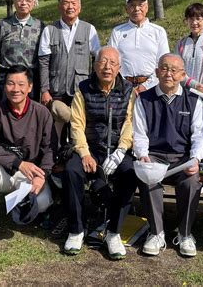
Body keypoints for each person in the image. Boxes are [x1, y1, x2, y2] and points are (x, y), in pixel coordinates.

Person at [62, 46, 137, 259]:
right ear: (94, 66)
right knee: (71, 171)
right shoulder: (83, 89)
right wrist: (84, 153)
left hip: (118, 150)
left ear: (119, 68)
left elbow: (130, 123)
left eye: (113, 63)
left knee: (130, 173)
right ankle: (76, 230)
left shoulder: (128, 90)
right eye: (103, 62)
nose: (107, 67)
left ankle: (114, 232)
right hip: (91, 148)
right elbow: (76, 124)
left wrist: (122, 150)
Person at [132, 53, 203, 257]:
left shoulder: (193, 100)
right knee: (147, 178)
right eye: (164, 68)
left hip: (182, 158)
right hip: (155, 155)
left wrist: (195, 159)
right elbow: (139, 133)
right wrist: (143, 155)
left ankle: (185, 234)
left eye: (174, 70)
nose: (169, 74)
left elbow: (199, 135)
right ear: (156, 72)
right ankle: (156, 233)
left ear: (183, 74)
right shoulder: (144, 99)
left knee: (191, 182)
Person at [0, 65, 55, 239]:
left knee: (42, 203)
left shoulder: (42, 113)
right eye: (11, 83)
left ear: (30, 87)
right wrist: (18, 163)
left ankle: (36, 208)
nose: (16, 89)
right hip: (5, 171)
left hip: (30, 175)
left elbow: (49, 148)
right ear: (4, 86)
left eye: (21, 84)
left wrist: (43, 175)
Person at [38, 0, 100, 148]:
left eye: (74, 3)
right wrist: (44, 89)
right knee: (54, 130)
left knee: (78, 128)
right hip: (56, 89)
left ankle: (75, 160)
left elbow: (97, 59)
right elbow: (44, 62)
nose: (70, 7)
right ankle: (55, 160)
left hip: (80, 89)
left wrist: (94, 86)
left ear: (79, 7)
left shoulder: (89, 29)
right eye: (66, 3)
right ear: (59, 6)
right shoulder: (50, 30)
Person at [108, 0, 169, 95]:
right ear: (126, 9)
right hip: (123, 89)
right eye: (132, 5)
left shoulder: (158, 31)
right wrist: (124, 85)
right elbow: (111, 61)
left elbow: (163, 63)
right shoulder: (117, 31)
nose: (136, 9)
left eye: (140, 5)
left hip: (152, 88)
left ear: (147, 7)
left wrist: (145, 86)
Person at [0, 0, 45, 102]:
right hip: (6, 77)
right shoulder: (2, 24)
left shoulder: (40, 26)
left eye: (28, 0)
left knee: (30, 115)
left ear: (33, 2)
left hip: (30, 77)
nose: (24, 3)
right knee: (3, 114)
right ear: (14, 1)